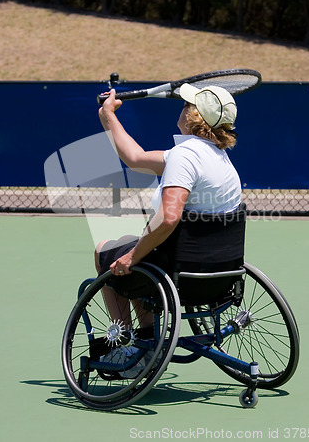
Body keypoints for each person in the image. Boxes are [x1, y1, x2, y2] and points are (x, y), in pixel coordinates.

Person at [95, 83, 244, 331]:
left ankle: (126, 342)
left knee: (105, 250)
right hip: (219, 273)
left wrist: (132, 257)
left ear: (193, 116)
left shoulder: (184, 157)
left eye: (187, 105)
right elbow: (135, 158)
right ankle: (146, 338)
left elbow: (168, 219)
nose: (182, 108)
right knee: (127, 241)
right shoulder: (220, 159)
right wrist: (108, 116)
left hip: (177, 272)